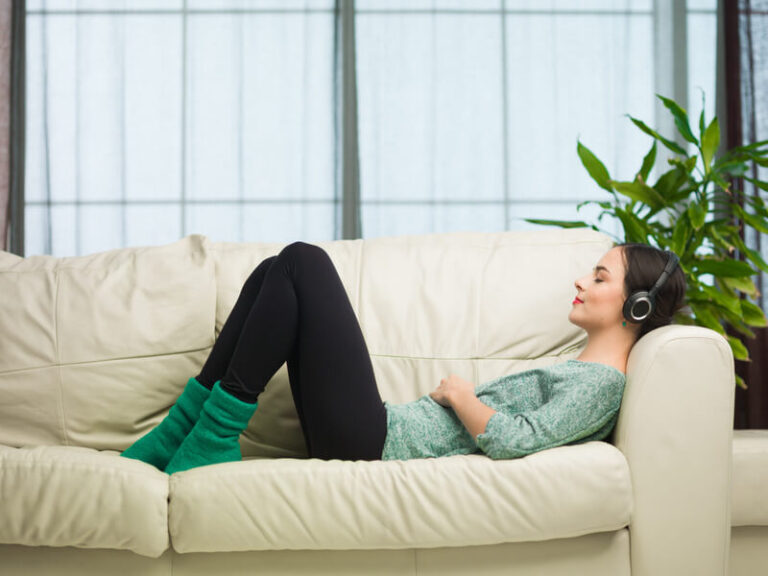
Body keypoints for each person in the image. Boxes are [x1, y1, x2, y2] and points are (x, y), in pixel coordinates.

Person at [120, 240, 687, 473]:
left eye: (599, 275)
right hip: (374, 432)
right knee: (277, 271)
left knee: (302, 262)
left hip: (376, 442)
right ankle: (183, 431)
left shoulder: (601, 385)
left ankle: (212, 438)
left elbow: (520, 438)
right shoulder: (582, 366)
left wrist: (463, 397)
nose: (581, 280)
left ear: (635, 307)